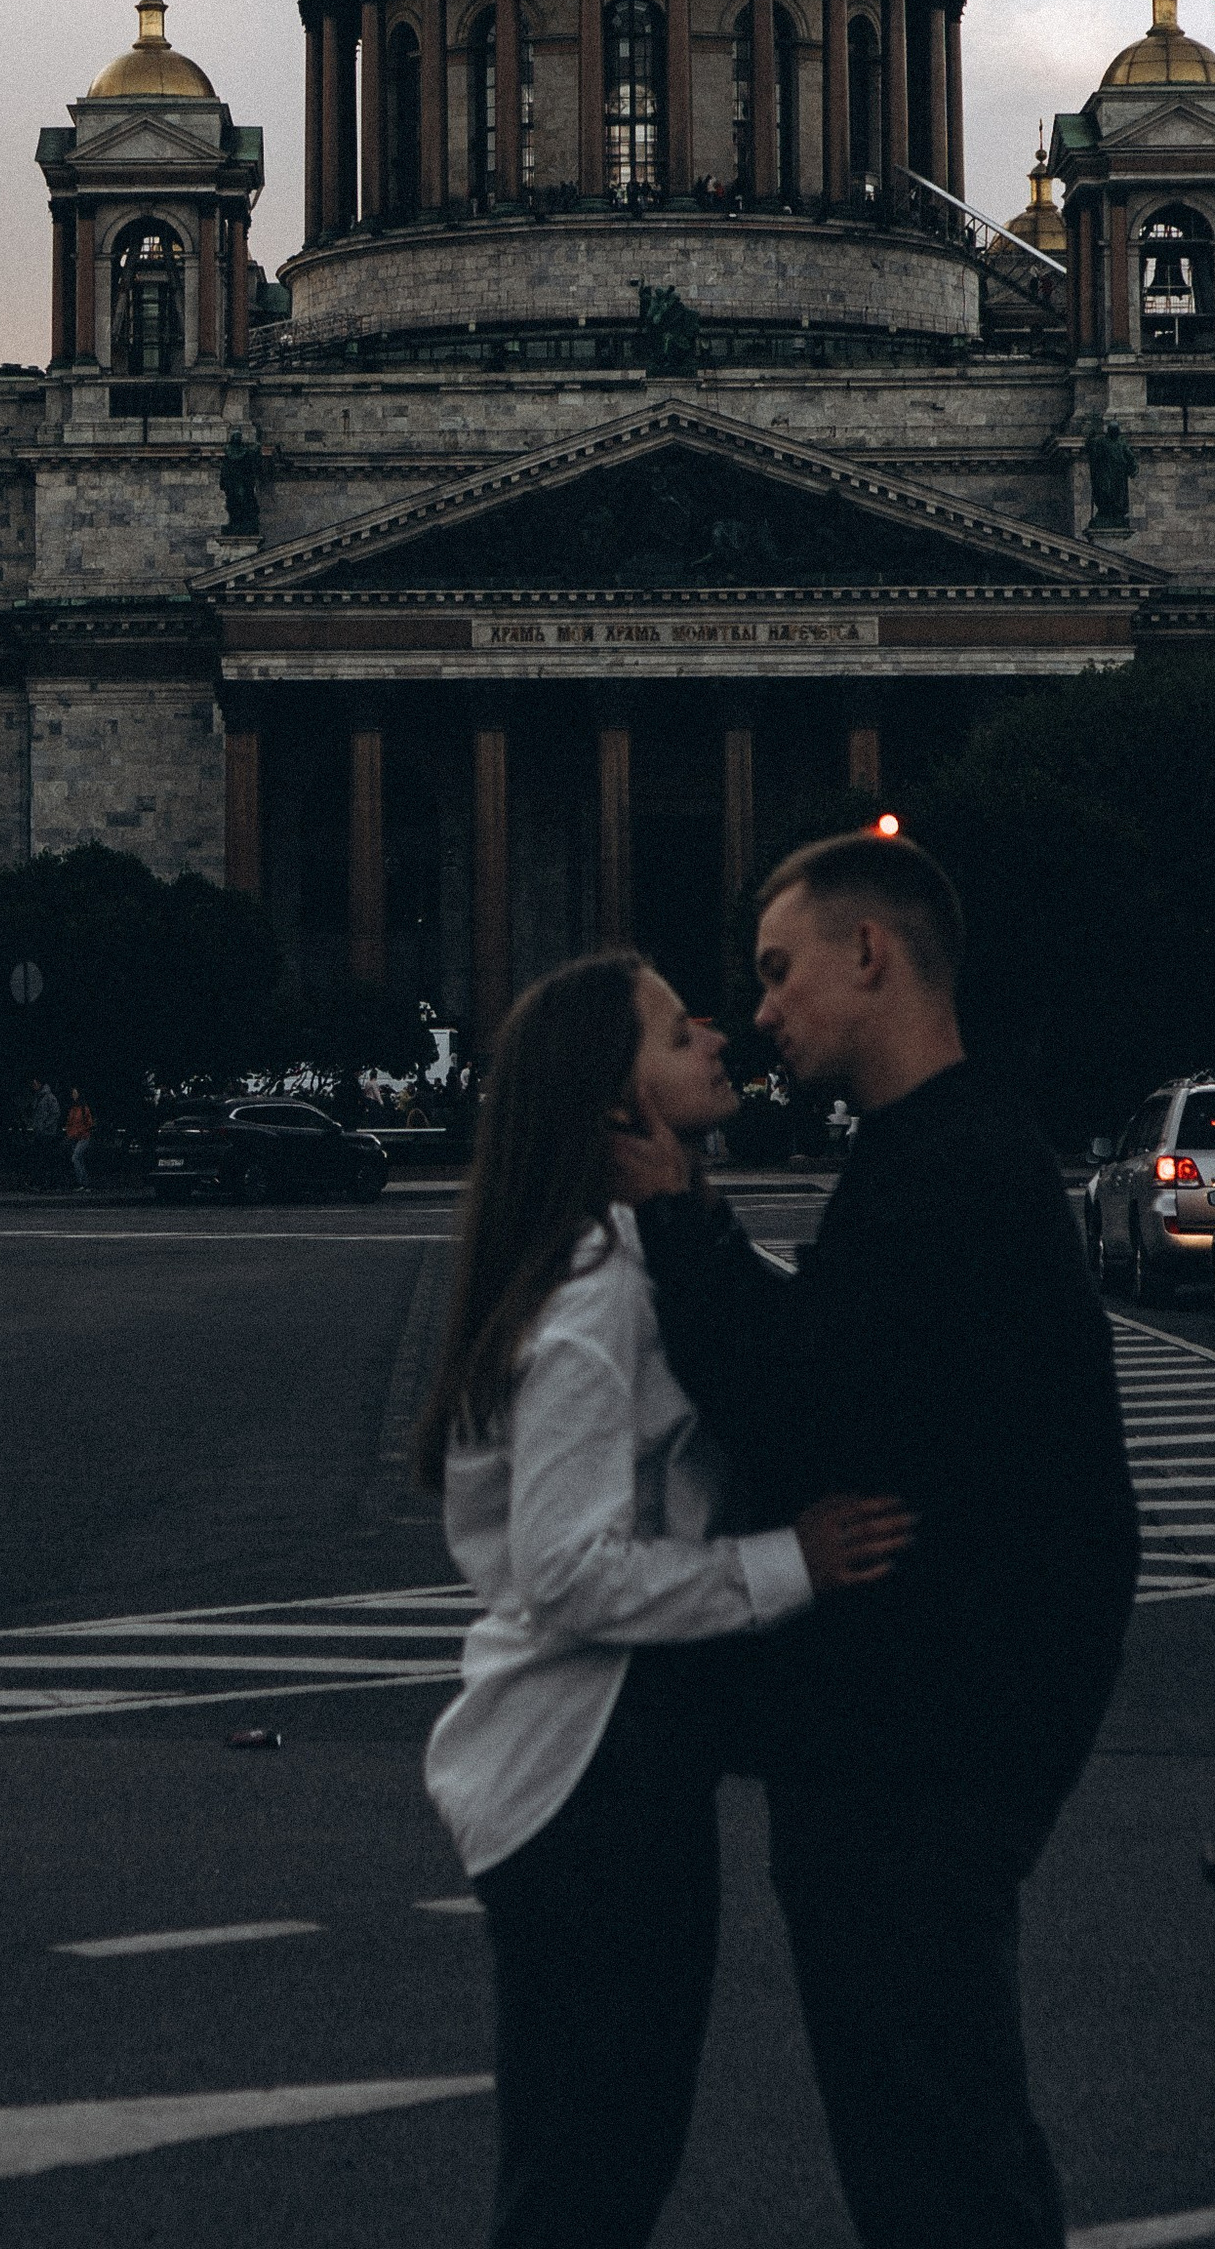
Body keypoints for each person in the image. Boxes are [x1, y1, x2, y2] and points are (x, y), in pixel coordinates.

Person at [623, 831, 1139, 2249]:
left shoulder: (954, 1170)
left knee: (933, 2152)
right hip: (928, 1742)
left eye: (778, 970)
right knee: (936, 2130)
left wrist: (675, 1221)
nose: (761, 1012)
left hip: (917, 1755)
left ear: (870, 954)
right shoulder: (948, 1151)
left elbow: (806, 1396)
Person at [416, 949, 912, 2249]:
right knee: (593, 2176)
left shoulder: (618, 1257)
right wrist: (791, 1563)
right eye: (673, 1027)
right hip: (585, 1768)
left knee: (597, 2166)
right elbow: (567, 1568)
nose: (713, 1033)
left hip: (604, 1761)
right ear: (612, 1098)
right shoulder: (598, 1292)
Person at [63, 1089, 95, 1196]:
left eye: (75, 1093)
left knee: (75, 1158)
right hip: (75, 1137)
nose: (73, 1095)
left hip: (82, 1137)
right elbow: (70, 1123)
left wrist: (75, 1132)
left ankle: (82, 1183)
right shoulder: (74, 1109)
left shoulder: (83, 1109)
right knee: (79, 1159)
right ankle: (85, 1183)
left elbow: (88, 1124)